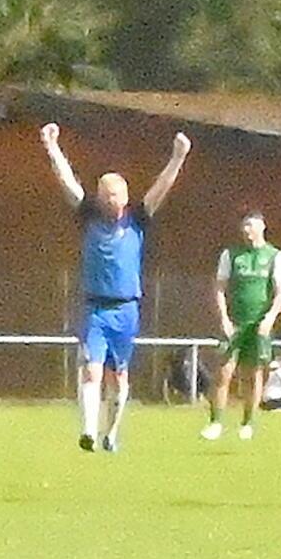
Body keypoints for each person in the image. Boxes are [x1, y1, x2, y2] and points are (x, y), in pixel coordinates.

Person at [39, 124, 190, 453]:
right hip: (95, 307)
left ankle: (111, 432)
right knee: (91, 370)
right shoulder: (88, 215)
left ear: (124, 196)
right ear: (99, 196)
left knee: (117, 376)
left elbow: (160, 189)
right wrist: (52, 147)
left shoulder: (137, 218)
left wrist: (178, 157)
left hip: (126, 309)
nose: (112, 201)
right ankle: (89, 431)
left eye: (117, 195)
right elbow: (68, 183)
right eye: (106, 195)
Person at [204, 212, 281, 442]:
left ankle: (249, 422)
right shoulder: (231, 255)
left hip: (258, 324)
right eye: (244, 226)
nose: (246, 231)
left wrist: (269, 318)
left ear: (262, 226)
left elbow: (279, 293)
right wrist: (224, 318)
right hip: (235, 322)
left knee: (253, 373)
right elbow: (219, 287)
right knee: (224, 371)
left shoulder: (275, 256)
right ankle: (215, 422)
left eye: (251, 226)